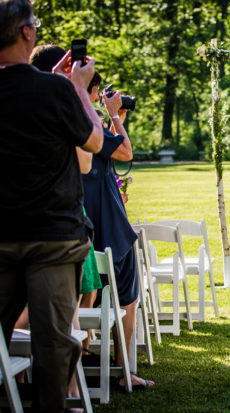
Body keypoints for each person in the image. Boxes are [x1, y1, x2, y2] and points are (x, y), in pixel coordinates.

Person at [0, 1, 103, 410]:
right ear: (28, 33)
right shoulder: (56, 89)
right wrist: (77, 86)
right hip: (53, 236)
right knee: (54, 342)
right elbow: (94, 142)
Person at [82, 77, 154, 388]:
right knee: (126, 301)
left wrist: (115, 121)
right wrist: (111, 116)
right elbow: (125, 152)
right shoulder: (89, 130)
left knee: (83, 302)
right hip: (111, 234)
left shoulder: (63, 127)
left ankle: (83, 359)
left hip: (81, 230)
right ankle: (125, 372)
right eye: (96, 93)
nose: (99, 97)